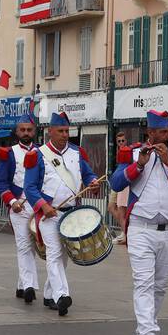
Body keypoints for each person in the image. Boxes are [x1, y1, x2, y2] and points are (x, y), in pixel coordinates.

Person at [110, 110, 168, 335]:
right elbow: (116, 182)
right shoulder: (131, 153)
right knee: (143, 282)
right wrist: (138, 165)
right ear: (150, 133)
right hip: (141, 227)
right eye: (162, 132)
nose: (167, 136)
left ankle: (145, 332)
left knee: (160, 285)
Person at [23, 110, 102, 316]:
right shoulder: (37, 155)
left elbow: (87, 174)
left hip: (72, 213)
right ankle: (62, 295)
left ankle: (50, 294)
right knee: (55, 253)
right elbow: (30, 187)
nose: (65, 134)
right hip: (49, 214)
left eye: (67, 131)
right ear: (50, 132)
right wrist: (43, 206)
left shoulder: (77, 152)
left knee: (64, 256)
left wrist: (93, 182)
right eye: (61, 131)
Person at [0, 110, 41, 304]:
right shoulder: (9, 153)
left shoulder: (42, 152)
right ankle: (30, 286)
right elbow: (2, 182)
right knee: (23, 246)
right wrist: (12, 202)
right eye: (22, 130)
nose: (26, 133)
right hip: (19, 207)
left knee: (34, 246)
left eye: (29, 130)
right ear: (17, 131)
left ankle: (22, 285)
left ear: (34, 131)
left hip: (39, 206)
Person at [110, 129, 129, 244]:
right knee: (111, 207)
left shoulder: (128, 152)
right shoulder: (117, 152)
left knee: (122, 210)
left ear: (126, 141)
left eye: (123, 140)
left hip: (123, 183)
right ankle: (124, 231)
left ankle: (126, 234)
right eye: (119, 141)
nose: (121, 143)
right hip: (115, 182)